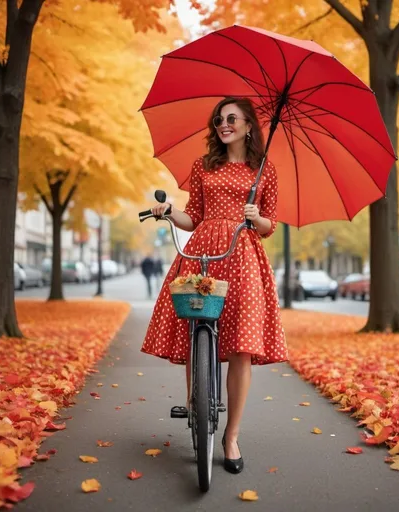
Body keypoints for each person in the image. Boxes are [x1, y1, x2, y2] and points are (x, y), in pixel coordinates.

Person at [141, 97, 288, 475]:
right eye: (220, 119)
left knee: (241, 347)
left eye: (232, 119)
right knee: (195, 326)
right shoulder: (203, 165)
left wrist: (257, 218)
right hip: (204, 248)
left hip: (244, 253)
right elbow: (195, 218)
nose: (224, 124)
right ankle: (197, 404)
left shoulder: (264, 170)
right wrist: (169, 211)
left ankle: (231, 436)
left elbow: (272, 226)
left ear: (249, 126)